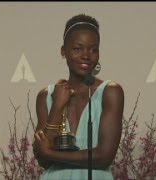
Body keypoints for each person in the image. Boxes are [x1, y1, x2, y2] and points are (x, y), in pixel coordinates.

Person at [33, 14, 124, 180]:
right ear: (63, 51)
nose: (86, 55)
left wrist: (49, 152)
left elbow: (104, 157)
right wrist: (57, 106)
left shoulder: (110, 92)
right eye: (77, 48)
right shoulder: (46, 96)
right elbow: (43, 160)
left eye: (93, 49)